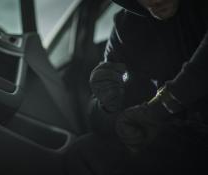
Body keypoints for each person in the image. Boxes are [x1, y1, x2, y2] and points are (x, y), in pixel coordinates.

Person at [64, 0, 208, 174]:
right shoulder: (126, 26)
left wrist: (159, 107)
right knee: (84, 151)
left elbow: (200, 70)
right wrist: (107, 105)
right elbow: (99, 118)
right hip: (183, 136)